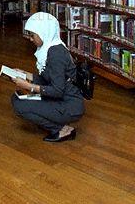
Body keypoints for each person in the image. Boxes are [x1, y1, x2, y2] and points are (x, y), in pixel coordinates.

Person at [11, 12, 84, 142]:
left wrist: (29, 86)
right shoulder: (49, 49)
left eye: (32, 35)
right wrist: (24, 74)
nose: (30, 39)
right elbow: (48, 79)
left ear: (44, 32)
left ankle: (61, 129)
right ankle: (57, 123)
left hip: (68, 104)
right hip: (60, 98)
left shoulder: (56, 54)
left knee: (20, 106)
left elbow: (57, 90)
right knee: (16, 99)